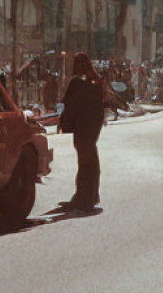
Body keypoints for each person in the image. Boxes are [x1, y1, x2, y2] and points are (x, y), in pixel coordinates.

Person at [58, 52, 104, 212]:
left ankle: (84, 197)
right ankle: (90, 195)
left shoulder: (77, 84)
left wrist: (64, 124)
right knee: (90, 162)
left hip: (82, 129)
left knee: (85, 163)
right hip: (92, 129)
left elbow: (69, 106)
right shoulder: (96, 82)